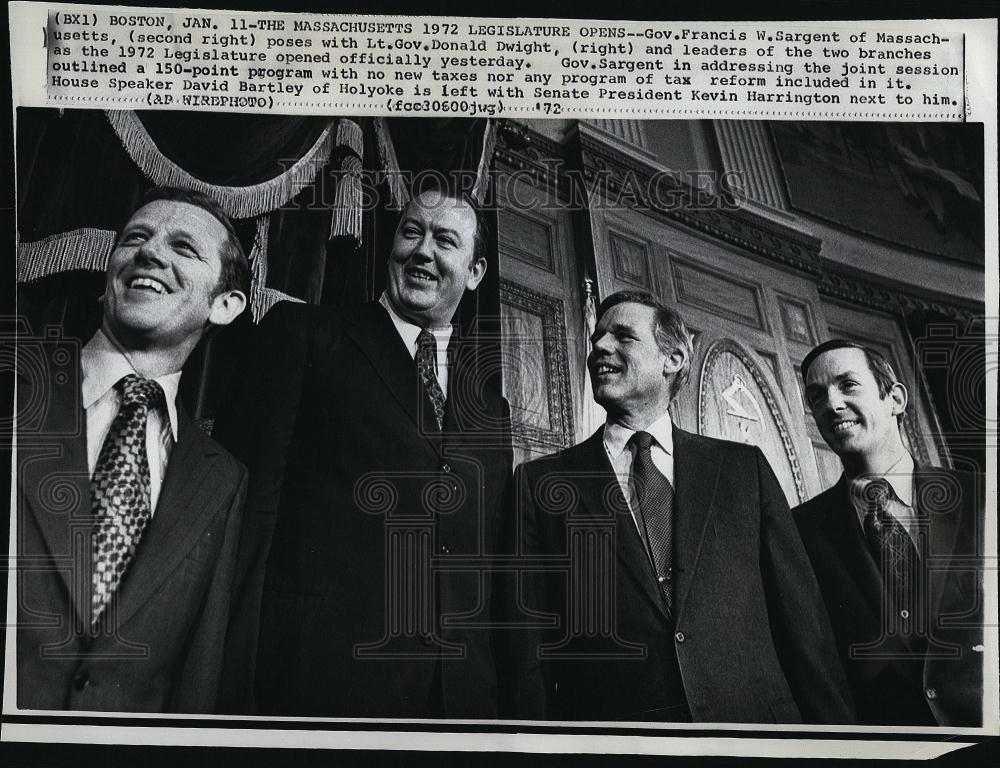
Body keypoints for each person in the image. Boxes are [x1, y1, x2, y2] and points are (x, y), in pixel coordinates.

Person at [215, 187, 512, 718]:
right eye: (411, 232)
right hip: (313, 680)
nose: (423, 251)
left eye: (446, 240)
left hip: (455, 702)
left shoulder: (492, 407)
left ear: (475, 272)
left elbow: (485, 560)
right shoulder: (304, 333)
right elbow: (246, 513)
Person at [507, 291, 854, 723]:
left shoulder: (744, 469)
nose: (599, 347)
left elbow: (804, 624)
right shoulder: (541, 482)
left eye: (623, 336)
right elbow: (526, 647)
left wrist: (841, 744)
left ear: (672, 359)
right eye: (596, 338)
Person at [16, 187, 249, 712]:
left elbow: (197, 677)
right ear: (107, 280)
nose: (150, 252)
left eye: (185, 248)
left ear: (226, 305)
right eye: (135, 239)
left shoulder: (222, 480)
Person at [794, 339, 984, 726]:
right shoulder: (800, 531)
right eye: (817, 397)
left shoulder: (981, 497)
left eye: (848, 385)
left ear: (895, 398)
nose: (831, 404)